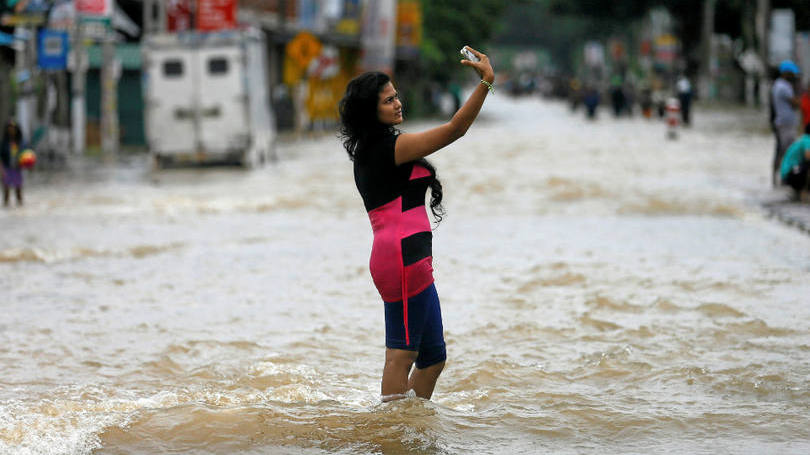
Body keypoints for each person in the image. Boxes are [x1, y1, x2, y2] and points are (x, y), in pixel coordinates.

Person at [338, 46, 494, 402]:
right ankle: (392, 435)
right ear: (370, 111)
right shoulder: (386, 148)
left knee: (434, 358)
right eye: (388, 101)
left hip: (413, 259)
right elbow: (456, 128)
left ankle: (411, 429)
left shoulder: (384, 146)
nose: (397, 104)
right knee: (401, 356)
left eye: (396, 96)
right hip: (401, 259)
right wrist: (487, 83)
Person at [771, 60, 801, 185]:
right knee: (788, 152)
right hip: (785, 125)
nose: (793, 76)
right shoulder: (783, 86)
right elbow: (796, 103)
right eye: (792, 74)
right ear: (786, 73)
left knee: (781, 151)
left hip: (783, 123)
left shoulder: (778, 85)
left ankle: (777, 179)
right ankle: (784, 179)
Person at [780, 123, 810, 199]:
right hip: (790, 174)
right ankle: (803, 192)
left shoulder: (803, 138)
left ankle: (799, 193)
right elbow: (808, 156)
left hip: (788, 174)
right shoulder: (808, 139)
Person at [1, 119, 24, 207]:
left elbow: (25, 155)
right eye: (10, 127)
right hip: (6, 168)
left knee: (18, 190)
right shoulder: (4, 142)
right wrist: (2, 169)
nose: (11, 130)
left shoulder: (21, 142)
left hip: (17, 169)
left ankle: (20, 207)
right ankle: (6, 206)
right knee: (6, 191)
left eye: (13, 128)